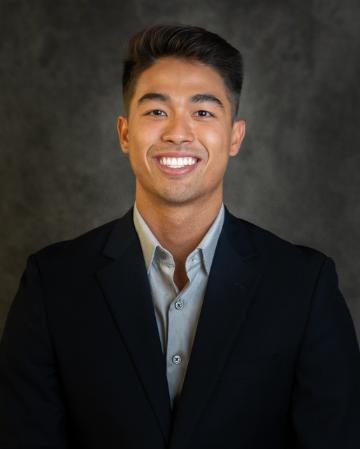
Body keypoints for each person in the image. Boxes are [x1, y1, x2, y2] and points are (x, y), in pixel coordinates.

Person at [0, 23, 359, 449]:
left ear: (235, 137)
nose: (177, 132)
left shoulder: (304, 284)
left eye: (203, 112)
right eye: (156, 111)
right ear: (125, 133)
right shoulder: (52, 282)